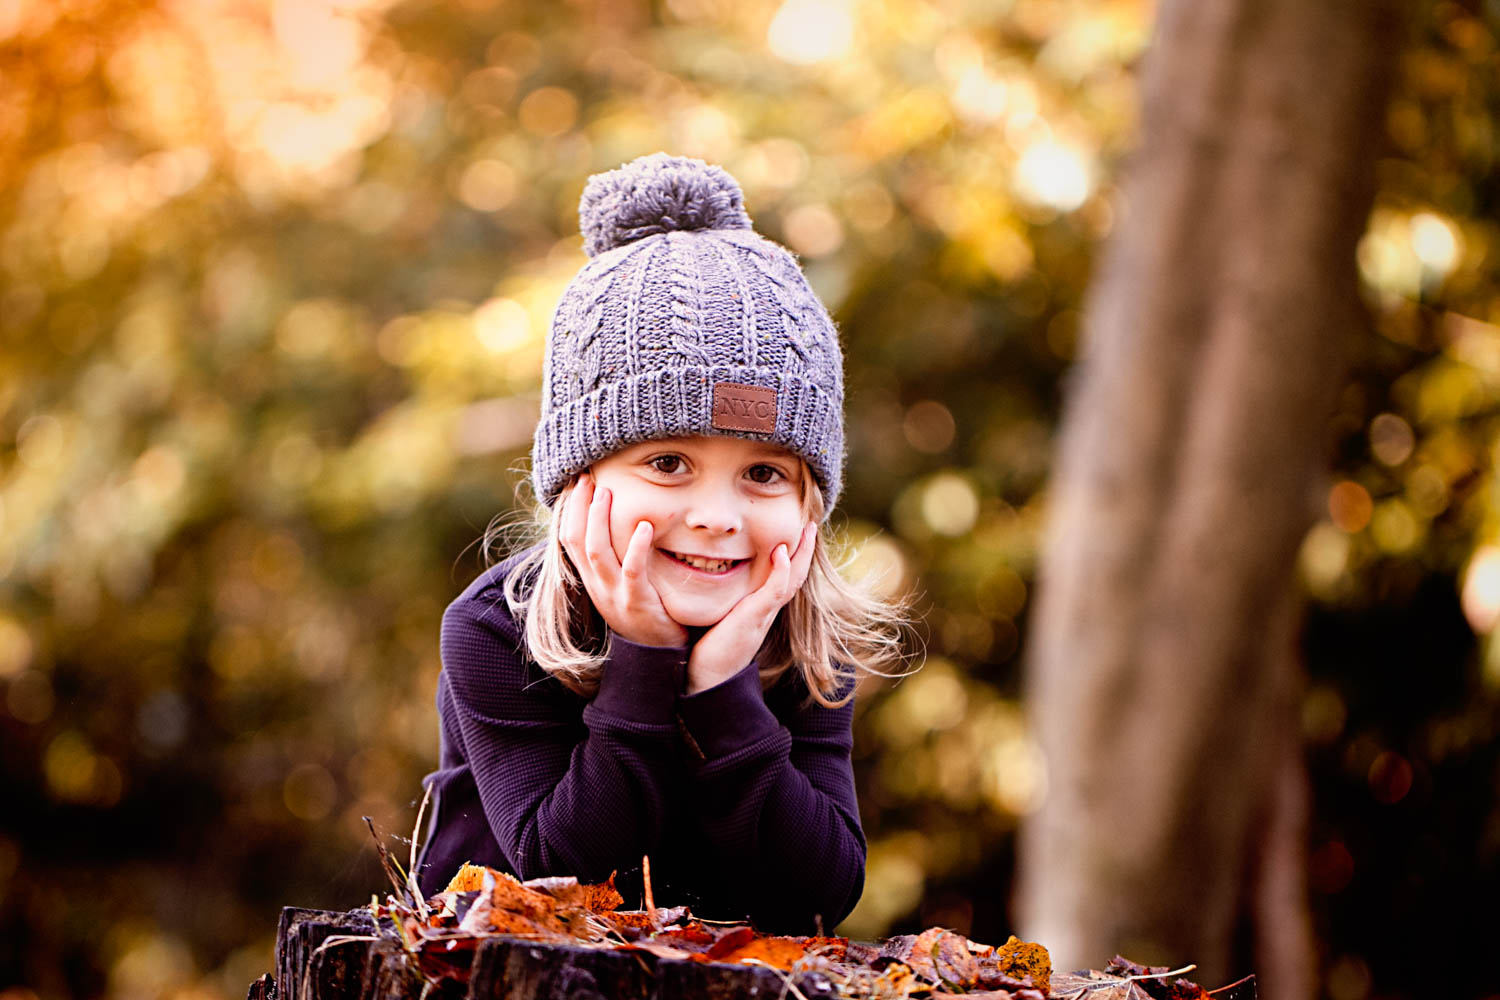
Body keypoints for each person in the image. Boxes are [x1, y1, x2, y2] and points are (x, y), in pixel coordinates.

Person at [415, 153, 905, 933]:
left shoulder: (807, 646)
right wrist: (644, 662)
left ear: (812, 502)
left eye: (765, 473)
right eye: (669, 463)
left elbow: (820, 894)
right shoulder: (497, 628)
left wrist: (722, 695)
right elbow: (559, 875)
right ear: (578, 484)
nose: (718, 516)